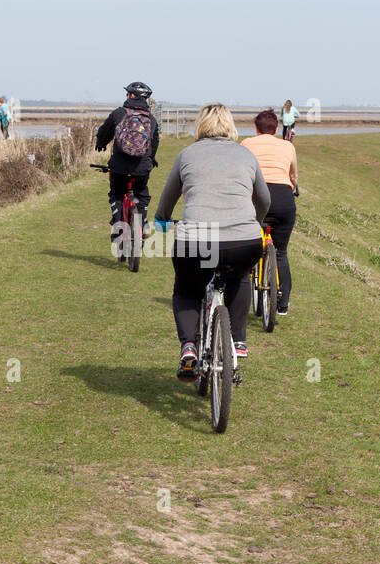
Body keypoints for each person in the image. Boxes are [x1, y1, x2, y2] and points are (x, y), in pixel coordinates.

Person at [154, 103, 270, 378]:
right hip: (244, 241)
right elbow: (264, 199)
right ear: (230, 126)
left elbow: (168, 197)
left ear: (200, 126)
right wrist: (258, 221)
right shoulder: (246, 154)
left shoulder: (187, 155)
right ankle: (239, 341)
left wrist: (161, 220)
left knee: (186, 291)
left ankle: (189, 348)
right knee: (240, 277)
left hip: (196, 241)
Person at [242, 108, 298, 315]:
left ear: (256, 128)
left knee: (247, 245)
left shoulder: (247, 143)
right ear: (276, 129)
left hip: (257, 197)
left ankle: (245, 283)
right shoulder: (287, 145)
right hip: (283, 197)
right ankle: (283, 304)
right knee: (281, 252)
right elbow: (293, 175)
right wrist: (294, 187)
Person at [95, 81, 160, 244]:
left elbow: (105, 131)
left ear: (132, 95)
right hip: (141, 168)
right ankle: (143, 225)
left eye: (127, 93)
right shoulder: (151, 119)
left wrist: (101, 143)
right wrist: (151, 159)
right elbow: (154, 141)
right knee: (142, 194)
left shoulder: (119, 113)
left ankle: (118, 223)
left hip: (119, 166)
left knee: (116, 193)